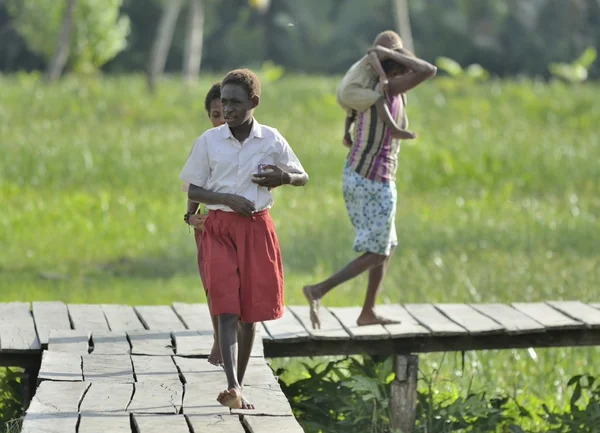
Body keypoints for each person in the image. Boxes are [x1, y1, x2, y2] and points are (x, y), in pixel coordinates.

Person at [179, 69, 309, 409]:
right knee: (224, 305)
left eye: (236, 102)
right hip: (219, 227)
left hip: (256, 229)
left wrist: (283, 177)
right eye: (224, 102)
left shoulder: (271, 139)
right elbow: (192, 186)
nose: (229, 109)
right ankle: (232, 385)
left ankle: (241, 383)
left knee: (249, 312)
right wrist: (227, 199)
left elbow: (302, 175)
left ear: (254, 102)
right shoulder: (208, 142)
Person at [304, 47, 437, 329]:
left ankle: (368, 311)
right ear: (396, 70)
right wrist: (391, 53)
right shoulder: (386, 88)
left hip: (369, 175)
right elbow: (428, 70)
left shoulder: (377, 92)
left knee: (386, 246)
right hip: (371, 178)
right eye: (404, 68)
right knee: (378, 252)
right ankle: (318, 290)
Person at [183, 82, 225, 367]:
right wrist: (190, 216)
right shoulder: (206, 143)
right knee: (213, 285)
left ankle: (227, 343)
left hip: (240, 224)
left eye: (227, 111)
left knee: (238, 287)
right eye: (215, 114)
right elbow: (194, 184)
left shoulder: (253, 143)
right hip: (208, 225)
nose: (222, 119)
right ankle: (218, 339)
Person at [337, 30, 417, 147]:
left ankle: (346, 135)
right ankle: (394, 129)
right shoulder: (376, 55)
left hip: (346, 90)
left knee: (354, 110)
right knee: (378, 99)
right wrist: (383, 76)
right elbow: (373, 55)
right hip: (349, 91)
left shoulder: (368, 64)